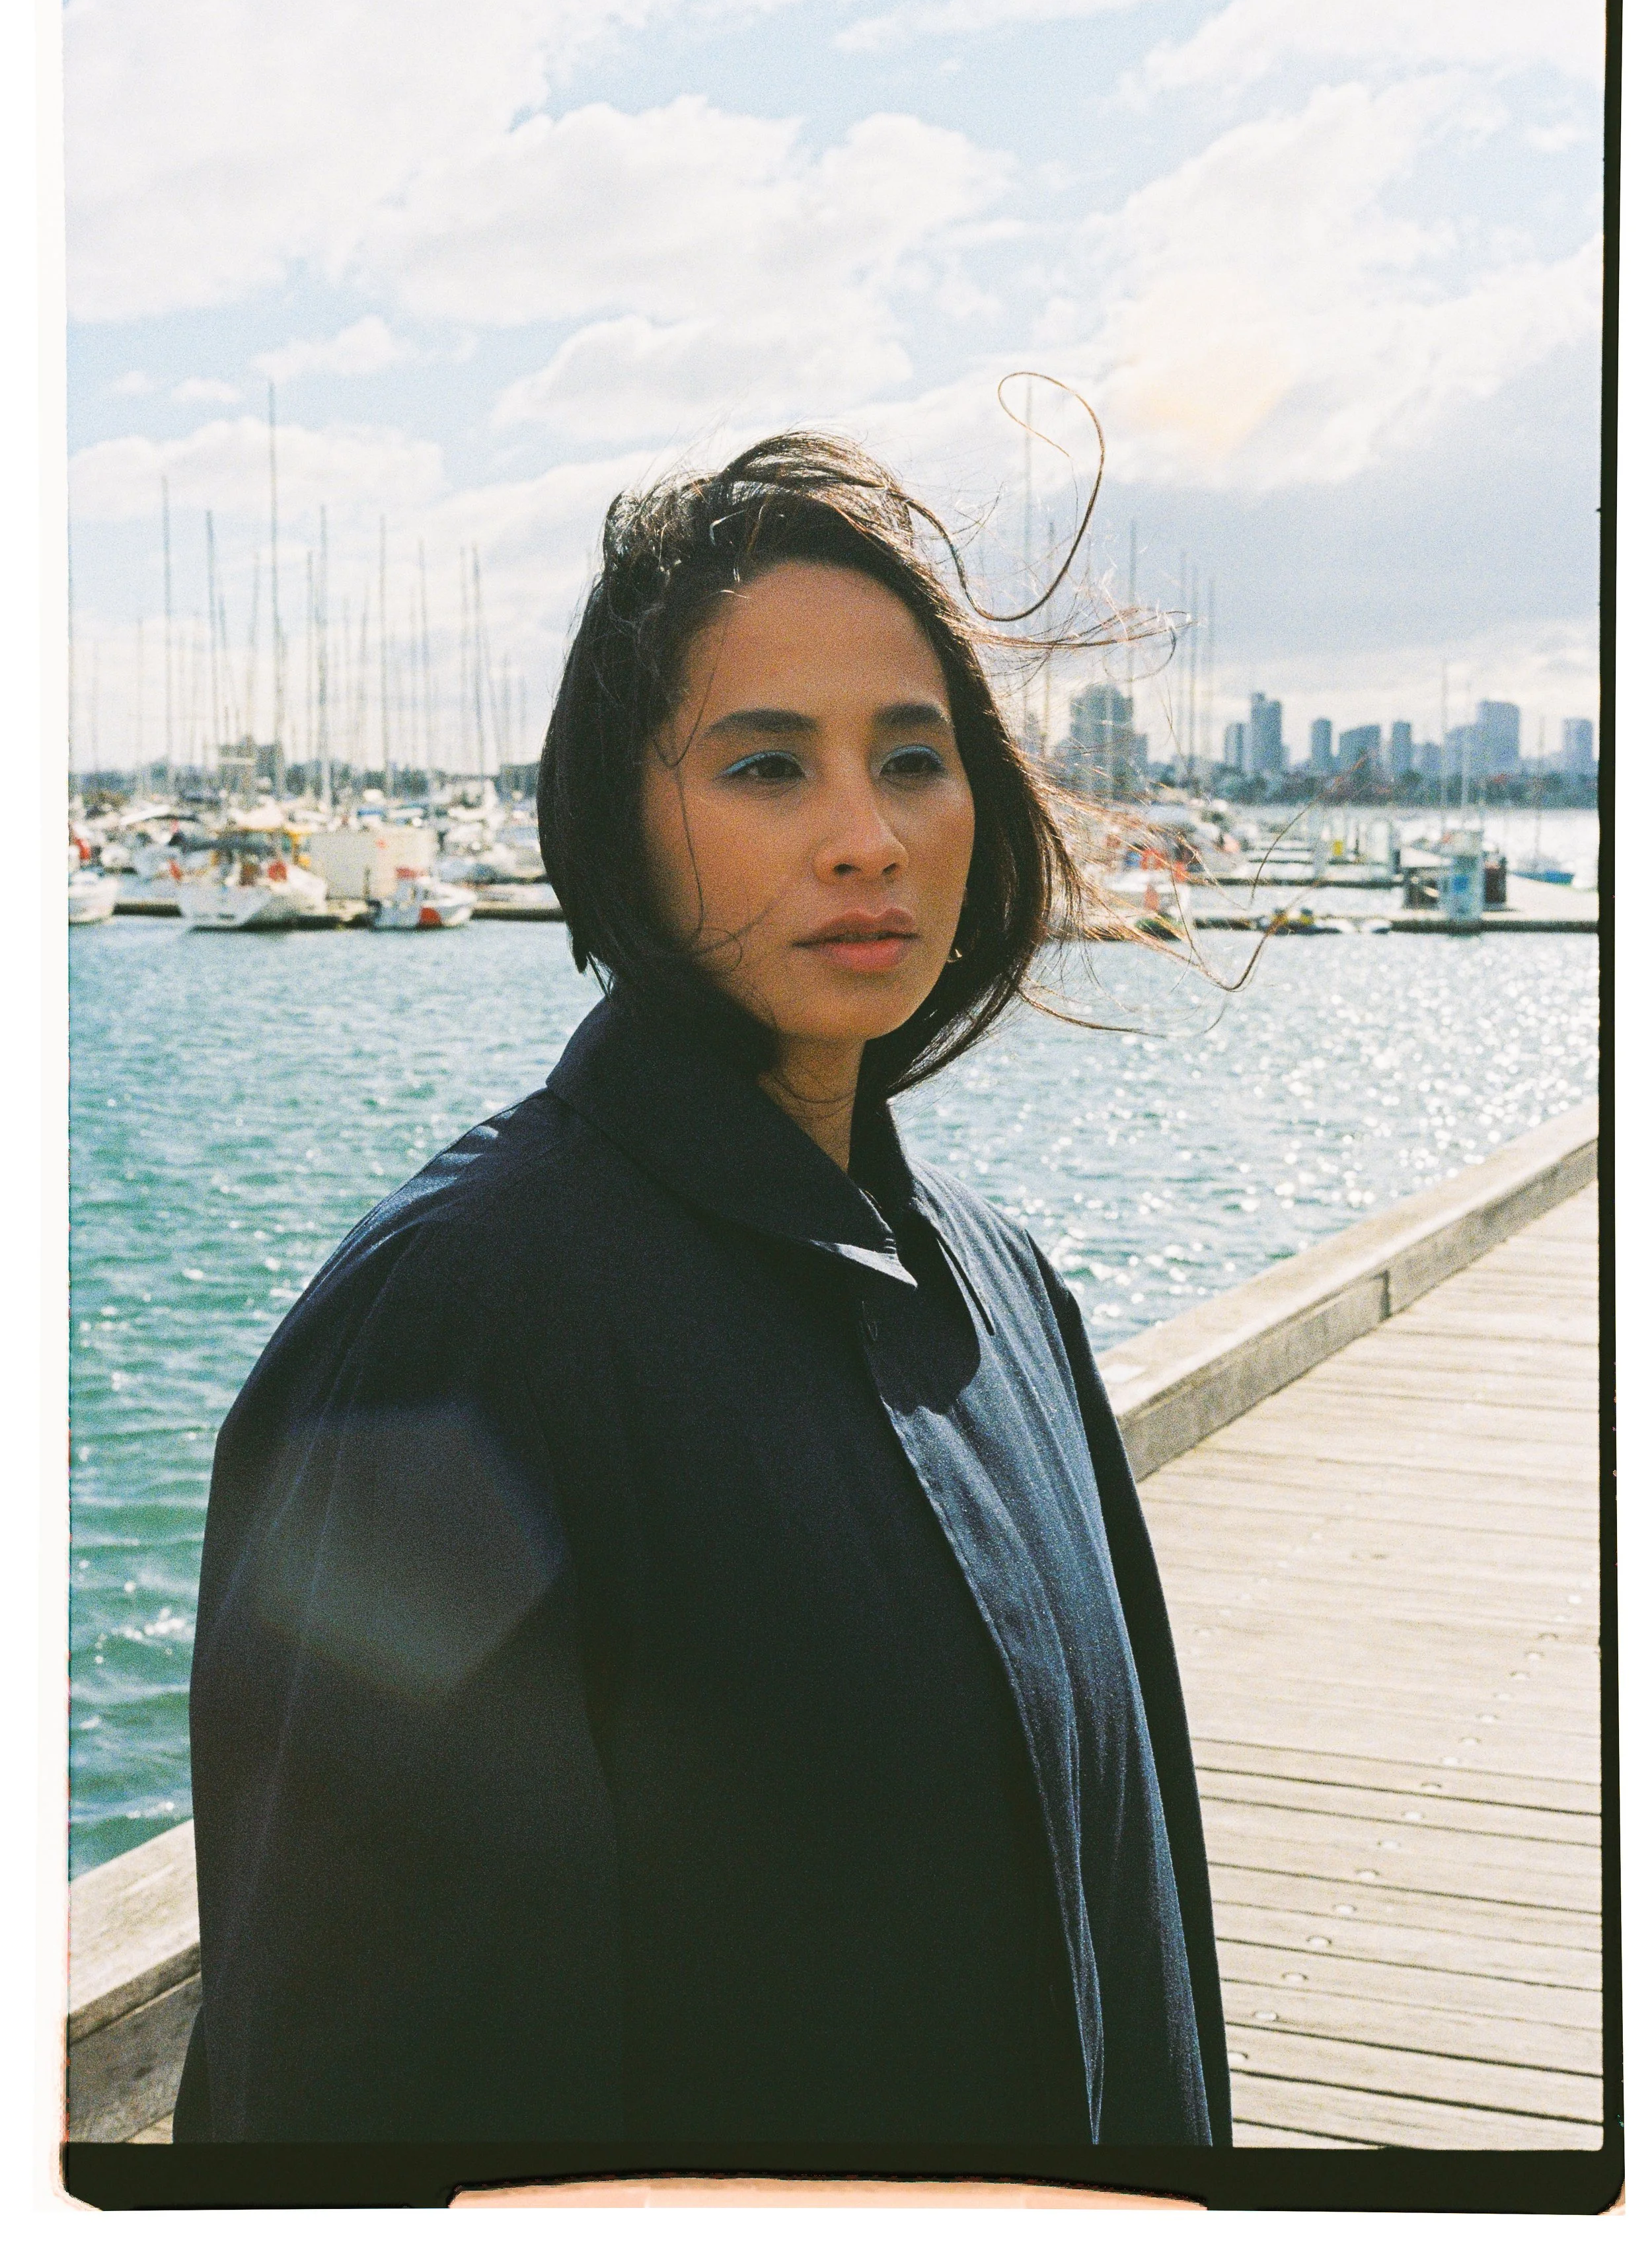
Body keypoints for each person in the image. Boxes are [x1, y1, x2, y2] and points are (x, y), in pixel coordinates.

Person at [174, 433, 1230, 2152]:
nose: (865, 836)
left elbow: (1139, 1955)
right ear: (621, 825)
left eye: (913, 756)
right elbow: (343, 2092)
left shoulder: (1005, 1294)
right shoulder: (447, 1337)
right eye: (764, 768)